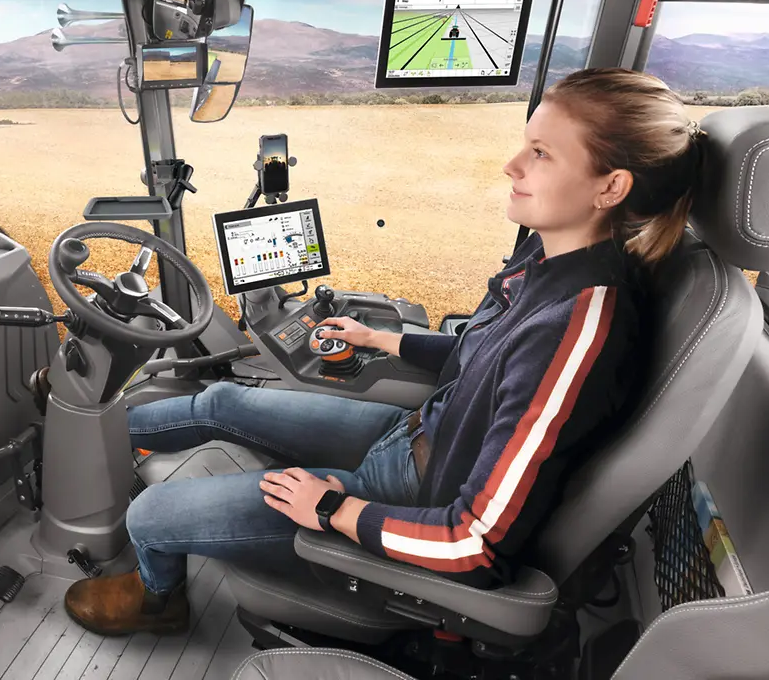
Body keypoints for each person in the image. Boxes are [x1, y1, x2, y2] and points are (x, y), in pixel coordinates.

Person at [63, 68, 707, 636]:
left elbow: (475, 546)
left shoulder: (581, 324)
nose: (512, 165)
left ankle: (157, 599)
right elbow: (483, 359)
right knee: (226, 397)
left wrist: (334, 509)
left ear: (610, 186)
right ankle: (76, 435)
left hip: (413, 494)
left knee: (149, 517)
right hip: (418, 436)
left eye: (540, 153)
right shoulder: (551, 261)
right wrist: (384, 338)